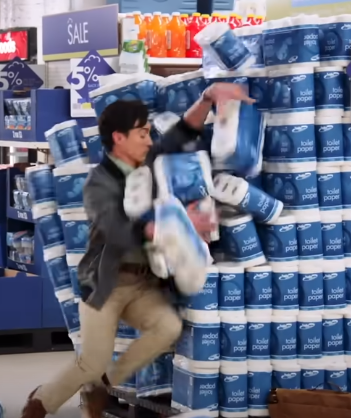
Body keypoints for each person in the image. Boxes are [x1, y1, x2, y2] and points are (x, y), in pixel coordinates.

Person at [21, 83, 254, 418]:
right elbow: (122, 230)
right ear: (119, 138)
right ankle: (41, 401)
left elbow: (181, 134)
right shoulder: (99, 184)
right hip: (105, 285)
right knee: (92, 361)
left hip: (142, 285)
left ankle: (103, 387)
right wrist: (178, 222)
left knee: (168, 328)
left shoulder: (150, 164)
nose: (148, 139)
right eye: (142, 133)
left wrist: (206, 99)